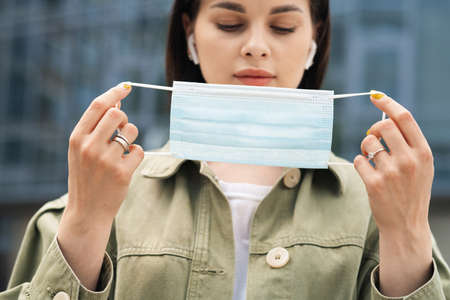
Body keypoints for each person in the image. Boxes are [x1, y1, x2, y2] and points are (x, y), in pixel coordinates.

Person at [1, 0, 450, 299]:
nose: (255, 47)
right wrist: (85, 219)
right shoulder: (97, 195)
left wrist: (407, 230)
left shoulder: (376, 203)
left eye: (283, 26)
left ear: (314, 39)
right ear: (190, 33)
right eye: (229, 24)